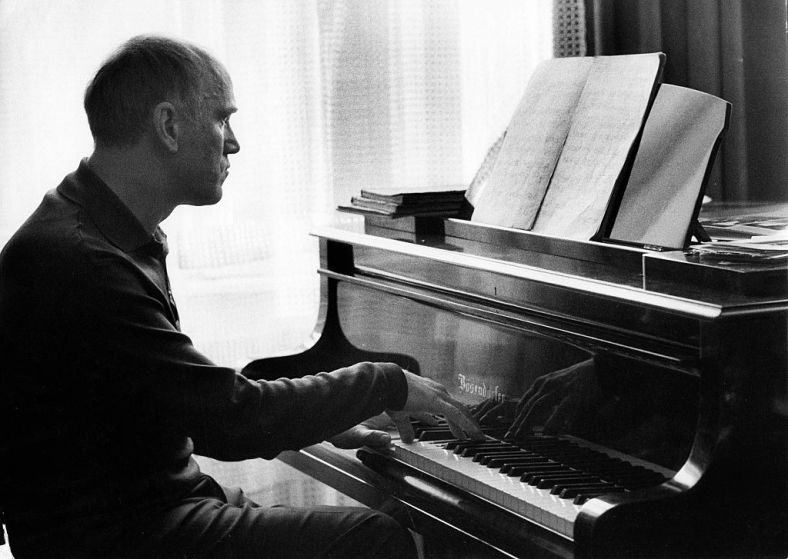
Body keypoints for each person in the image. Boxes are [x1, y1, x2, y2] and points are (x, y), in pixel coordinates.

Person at [0, 35, 483, 559]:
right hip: (118, 536)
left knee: (381, 523)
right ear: (168, 126)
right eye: (222, 119)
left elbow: (181, 397)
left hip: (139, 513)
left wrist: (319, 419)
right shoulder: (84, 260)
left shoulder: (92, 227)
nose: (233, 143)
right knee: (374, 539)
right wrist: (382, 383)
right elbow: (227, 421)